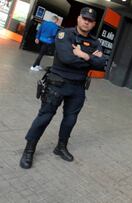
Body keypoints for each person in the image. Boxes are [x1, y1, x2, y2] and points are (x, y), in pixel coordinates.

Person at [20, 7, 106, 169]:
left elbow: (102, 64)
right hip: (57, 83)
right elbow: (67, 59)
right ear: (78, 19)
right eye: (84, 18)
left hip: (78, 88)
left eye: (90, 20)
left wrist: (84, 55)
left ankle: (60, 147)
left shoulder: (95, 42)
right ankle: (29, 150)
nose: (86, 22)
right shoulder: (64, 34)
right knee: (44, 117)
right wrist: (91, 59)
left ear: (94, 24)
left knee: (70, 120)